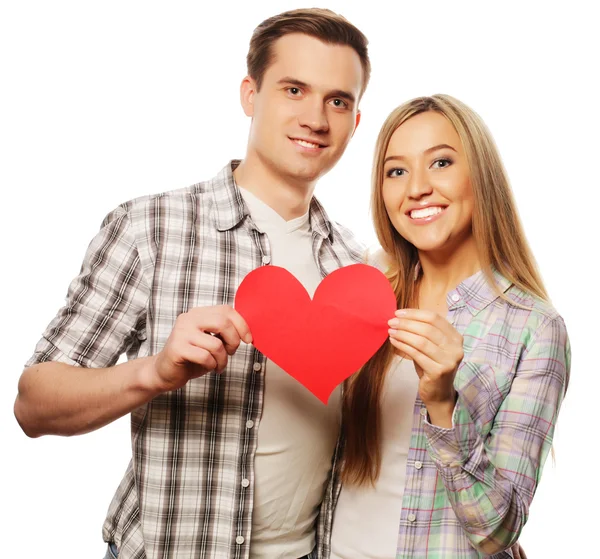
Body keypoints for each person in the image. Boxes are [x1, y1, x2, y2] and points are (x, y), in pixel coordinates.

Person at [14, 8, 370, 559]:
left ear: (355, 120)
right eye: (294, 89)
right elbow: (33, 404)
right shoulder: (149, 228)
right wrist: (153, 372)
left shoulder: (356, 269)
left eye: (337, 100)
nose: (317, 118)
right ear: (250, 95)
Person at [328, 95, 570, 559]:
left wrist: (443, 403)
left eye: (440, 162)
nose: (416, 188)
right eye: (396, 171)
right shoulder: (361, 295)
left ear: (480, 176)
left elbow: (498, 531)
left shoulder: (534, 329)